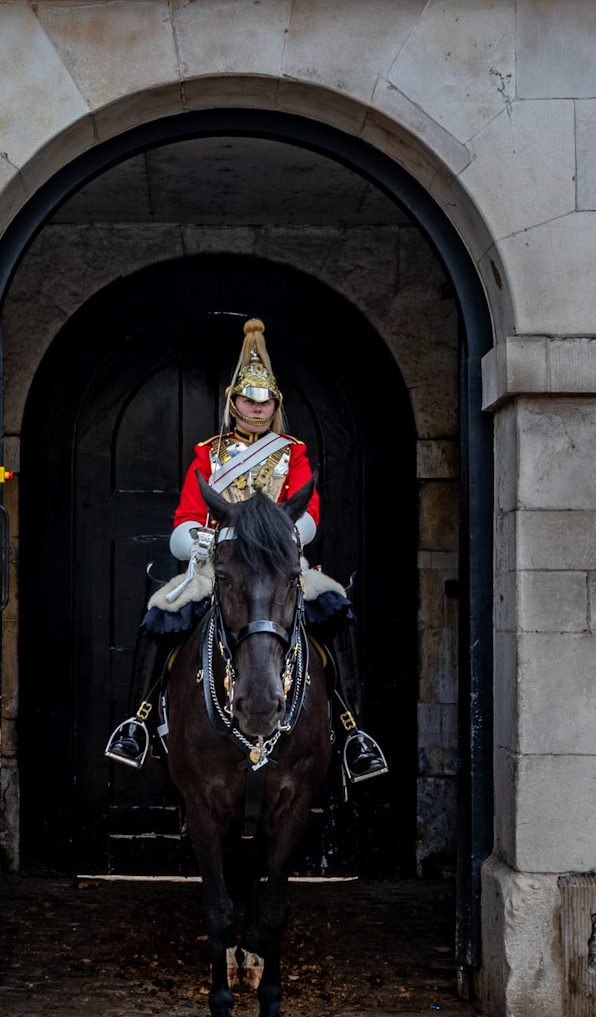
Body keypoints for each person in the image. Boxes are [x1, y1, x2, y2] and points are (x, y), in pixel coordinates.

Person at [105, 317, 388, 786]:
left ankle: (351, 729)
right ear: (233, 402)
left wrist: (281, 537)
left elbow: (309, 514)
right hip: (220, 561)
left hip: (279, 560)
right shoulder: (209, 453)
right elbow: (186, 517)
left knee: (333, 609)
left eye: (265, 401)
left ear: (276, 404)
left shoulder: (292, 453)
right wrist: (202, 540)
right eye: (248, 399)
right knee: (162, 612)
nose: (257, 408)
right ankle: (138, 720)